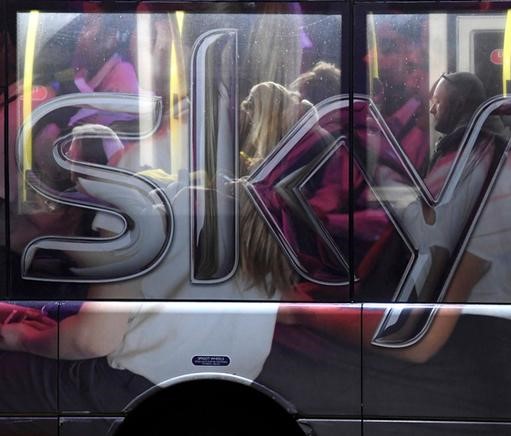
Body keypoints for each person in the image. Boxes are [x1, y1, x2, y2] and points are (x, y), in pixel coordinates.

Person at [0, 82, 312, 413]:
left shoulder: (144, 203)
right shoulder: (273, 219)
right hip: (232, 390)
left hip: (133, 391)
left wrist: (22, 338)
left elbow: (93, 339)